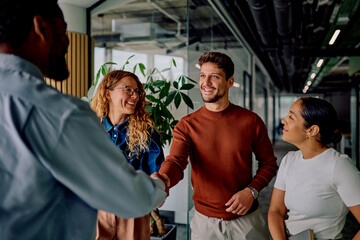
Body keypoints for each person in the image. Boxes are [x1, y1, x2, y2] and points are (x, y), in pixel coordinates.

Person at [0, 0, 168, 239]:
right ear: (41, 28)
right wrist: (160, 187)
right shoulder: (61, 114)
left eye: (137, 91)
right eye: (63, 29)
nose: (67, 41)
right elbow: (135, 197)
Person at [152, 51, 278, 239]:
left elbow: (269, 164)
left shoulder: (251, 121)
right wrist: (163, 180)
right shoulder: (187, 125)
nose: (206, 82)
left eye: (215, 76)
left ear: (229, 82)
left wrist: (252, 191)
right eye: (203, 76)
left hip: (247, 220)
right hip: (205, 224)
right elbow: (176, 162)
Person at [268, 97, 360, 240]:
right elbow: (276, 211)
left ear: (312, 130)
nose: (283, 120)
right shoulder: (289, 160)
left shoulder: (339, 166)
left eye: (291, 117)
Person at [91, 70, 165, 240]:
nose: (135, 96)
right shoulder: (90, 128)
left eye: (137, 91)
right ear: (108, 94)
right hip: (96, 209)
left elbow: (156, 173)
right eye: (128, 90)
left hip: (133, 209)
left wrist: (158, 188)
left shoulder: (146, 133)